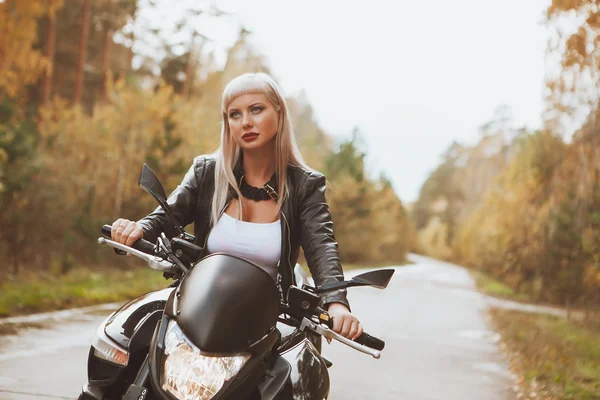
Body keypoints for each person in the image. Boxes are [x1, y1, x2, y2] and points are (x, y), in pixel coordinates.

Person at [111, 72, 363, 341]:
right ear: (227, 123)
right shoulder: (207, 173)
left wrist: (336, 303)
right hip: (197, 310)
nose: (246, 122)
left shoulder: (305, 186)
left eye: (256, 110)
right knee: (125, 345)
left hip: (263, 322)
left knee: (294, 375)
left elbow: (321, 247)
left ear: (278, 114)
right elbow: (165, 217)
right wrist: (136, 228)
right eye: (235, 114)